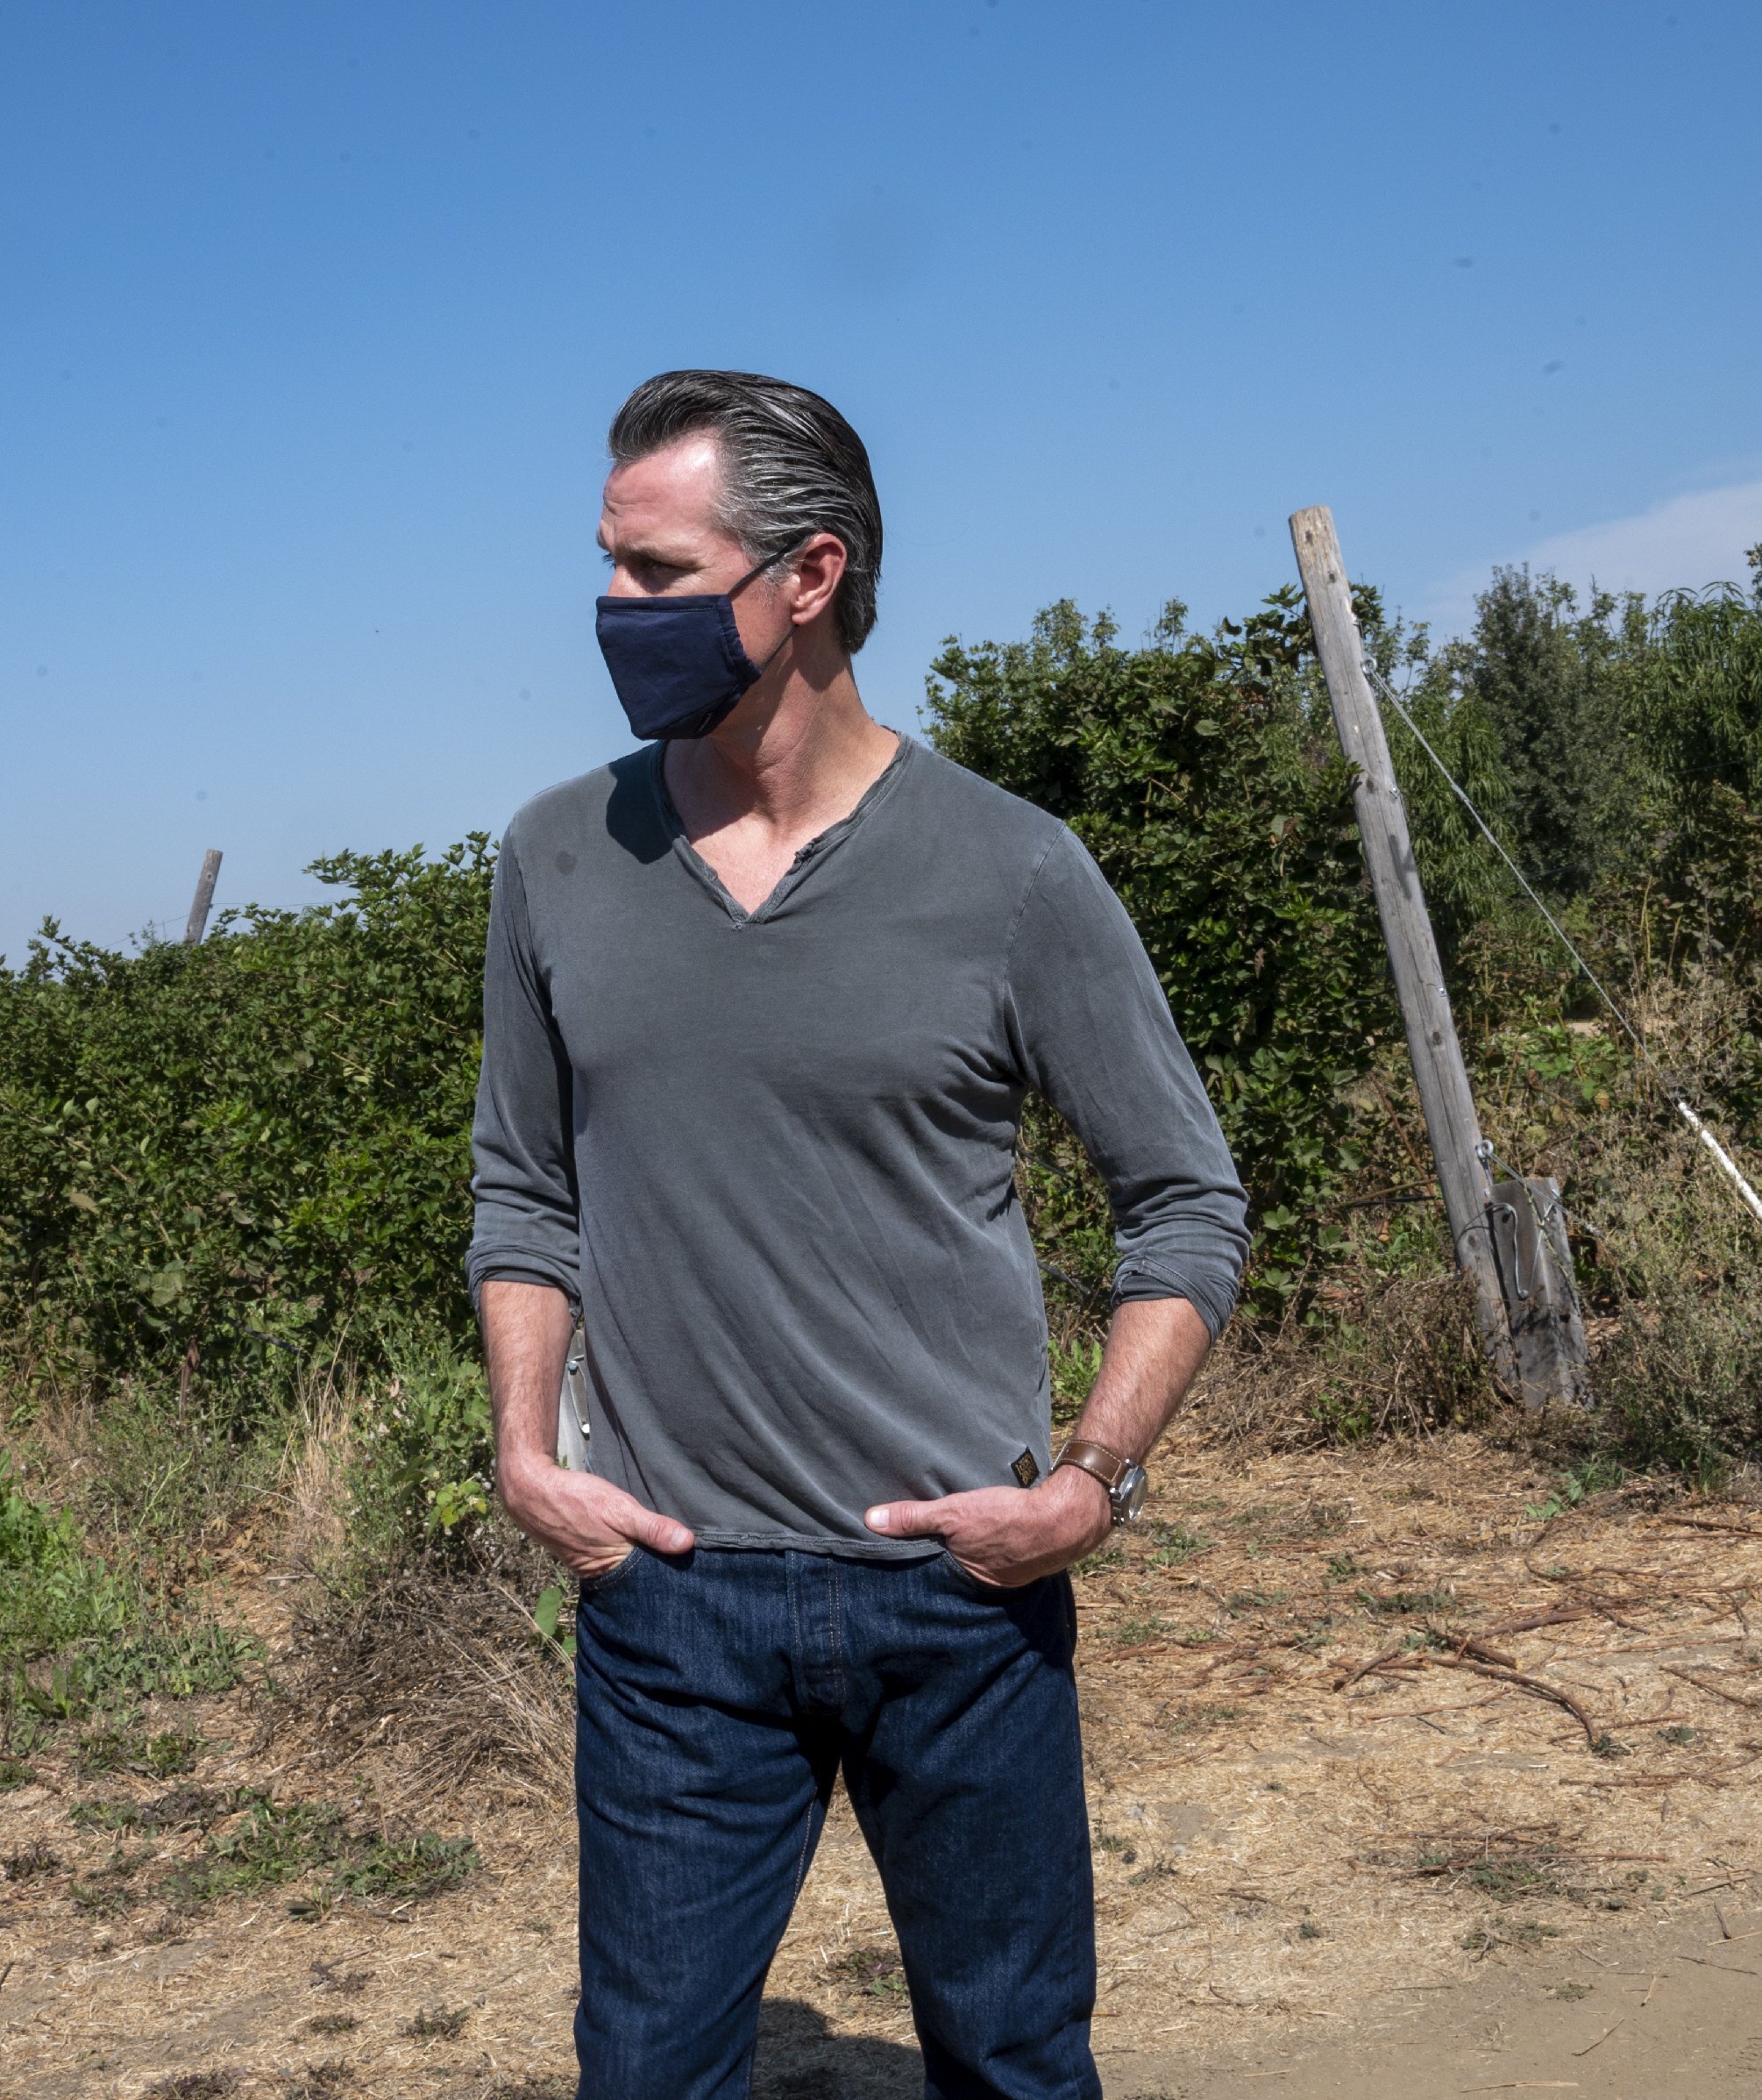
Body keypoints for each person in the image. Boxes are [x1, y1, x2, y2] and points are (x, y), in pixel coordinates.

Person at [467, 369, 1250, 2100]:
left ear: (808, 576)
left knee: (1016, 2066)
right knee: (648, 2073)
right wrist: (528, 1449)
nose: (615, 611)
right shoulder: (556, 858)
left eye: (659, 574)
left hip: (960, 1595)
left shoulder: (1014, 870)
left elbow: (1183, 1199)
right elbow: (525, 1191)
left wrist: (1093, 1481)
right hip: (669, 1599)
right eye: (607, 568)